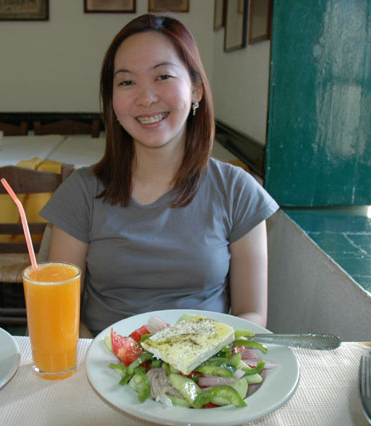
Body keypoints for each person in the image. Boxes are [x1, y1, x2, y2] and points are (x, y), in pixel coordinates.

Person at [40, 14, 279, 337]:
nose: (146, 97)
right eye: (127, 82)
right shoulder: (79, 193)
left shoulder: (238, 191)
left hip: (201, 371)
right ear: (111, 101)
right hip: (102, 368)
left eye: (163, 76)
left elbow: (251, 312)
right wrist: (109, 366)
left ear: (195, 89)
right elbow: (61, 311)